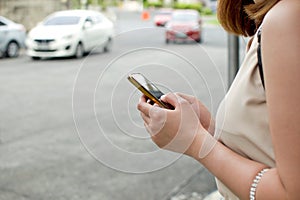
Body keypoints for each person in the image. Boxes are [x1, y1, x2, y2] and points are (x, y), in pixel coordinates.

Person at [137, 0, 300, 199]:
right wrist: (208, 129)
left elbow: (291, 194)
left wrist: (196, 141)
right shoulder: (274, 20)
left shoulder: (287, 18)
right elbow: (268, 149)